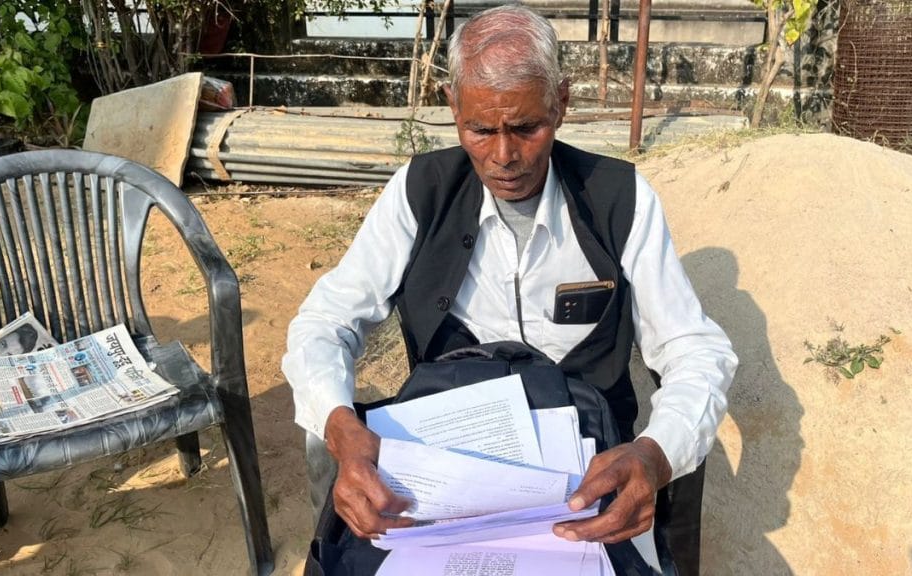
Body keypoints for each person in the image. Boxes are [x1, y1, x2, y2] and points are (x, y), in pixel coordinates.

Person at [282, 2, 737, 562]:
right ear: (453, 107)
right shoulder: (420, 192)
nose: (504, 156)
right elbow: (325, 321)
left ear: (561, 103)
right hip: (443, 464)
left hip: (581, 474)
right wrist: (339, 426)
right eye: (479, 128)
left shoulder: (619, 200)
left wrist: (654, 453)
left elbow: (695, 350)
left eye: (526, 127)